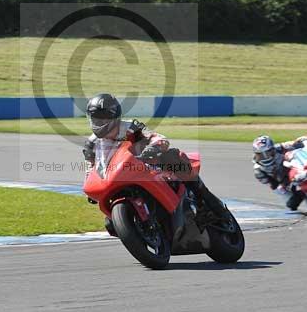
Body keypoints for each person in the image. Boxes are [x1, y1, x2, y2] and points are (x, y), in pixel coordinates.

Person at [82, 93, 227, 235]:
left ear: (113, 117)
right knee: (111, 224)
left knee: (173, 157)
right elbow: (91, 167)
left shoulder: (131, 127)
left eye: (101, 118)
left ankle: (207, 202)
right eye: (94, 118)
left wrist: (154, 147)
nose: (97, 122)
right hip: (119, 176)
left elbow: (155, 137)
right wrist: (92, 187)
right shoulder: (91, 143)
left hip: (148, 166)